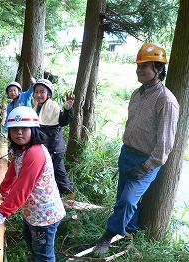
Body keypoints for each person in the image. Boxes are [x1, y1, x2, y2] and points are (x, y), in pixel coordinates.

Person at [94, 43, 179, 254]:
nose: (139, 70)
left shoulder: (166, 101)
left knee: (127, 200)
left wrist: (147, 166)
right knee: (122, 197)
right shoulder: (136, 93)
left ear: (159, 69)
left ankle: (107, 236)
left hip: (146, 161)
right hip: (127, 154)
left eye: (146, 66)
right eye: (139, 65)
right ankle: (130, 231)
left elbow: (165, 144)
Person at [0, 106, 65, 262]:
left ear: (33, 129)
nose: (19, 132)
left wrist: (2, 212)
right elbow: (13, 170)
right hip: (33, 212)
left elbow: (23, 186)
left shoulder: (35, 152)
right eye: (14, 129)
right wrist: (4, 189)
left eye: (24, 128)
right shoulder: (21, 149)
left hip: (44, 216)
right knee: (33, 244)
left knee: (44, 255)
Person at [32, 79, 75, 197]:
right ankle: (68, 193)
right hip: (48, 147)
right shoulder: (37, 107)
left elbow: (63, 120)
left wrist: (68, 109)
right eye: (36, 92)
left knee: (49, 172)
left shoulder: (53, 106)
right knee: (58, 171)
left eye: (42, 92)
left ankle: (50, 195)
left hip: (53, 147)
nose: (38, 95)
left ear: (49, 94)